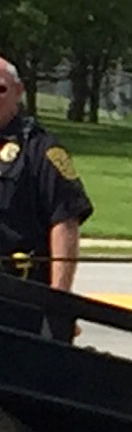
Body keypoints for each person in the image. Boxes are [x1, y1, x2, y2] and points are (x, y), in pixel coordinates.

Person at [0, 56, 93, 343]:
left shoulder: (41, 150)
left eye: (0, 89)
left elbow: (65, 221)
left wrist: (58, 303)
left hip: (19, 301)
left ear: (18, 91)